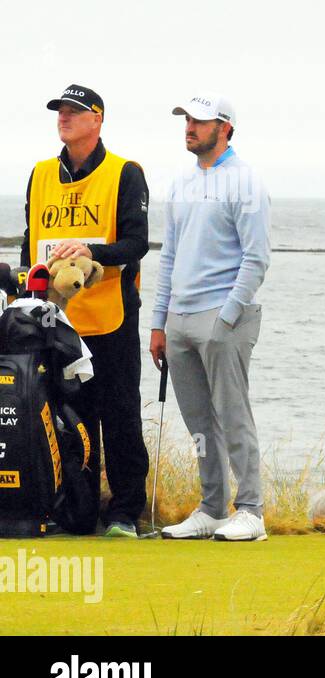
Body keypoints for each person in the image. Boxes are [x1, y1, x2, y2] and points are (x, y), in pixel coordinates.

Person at [22, 84, 150, 538]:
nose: (64, 117)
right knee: (66, 419)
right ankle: (76, 510)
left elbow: (137, 244)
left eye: (75, 111)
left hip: (110, 318)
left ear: (97, 120)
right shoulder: (39, 174)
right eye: (60, 110)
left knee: (119, 416)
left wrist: (92, 249)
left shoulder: (125, 173)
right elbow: (28, 245)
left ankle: (125, 512)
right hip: (57, 323)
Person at [150, 94, 271, 542]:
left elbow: (256, 258)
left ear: (225, 128)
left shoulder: (245, 183)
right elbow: (170, 257)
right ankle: (212, 507)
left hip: (223, 318)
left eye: (199, 121)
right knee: (199, 422)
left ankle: (252, 511)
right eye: (186, 119)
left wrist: (227, 317)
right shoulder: (181, 184)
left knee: (233, 415)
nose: (189, 127)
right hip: (180, 320)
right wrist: (159, 322)